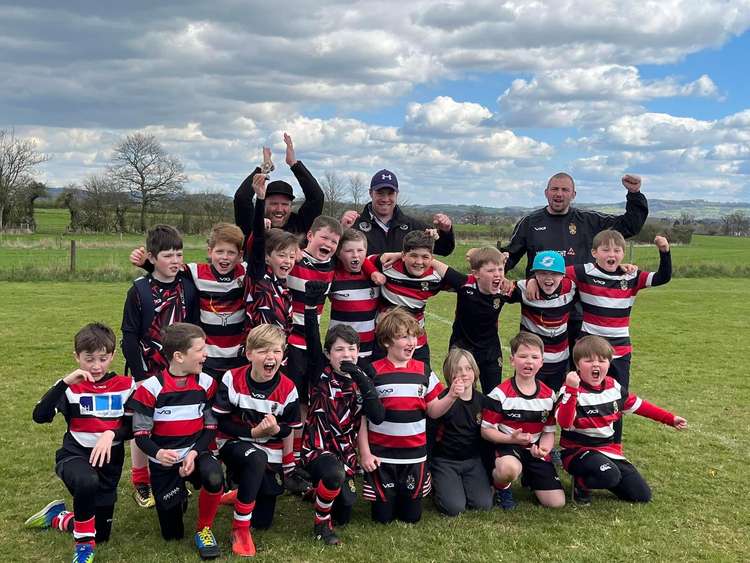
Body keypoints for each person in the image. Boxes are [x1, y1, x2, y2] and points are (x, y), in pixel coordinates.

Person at [25, 323, 135, 563]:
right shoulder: (71, 387)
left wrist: (111, 435)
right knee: (86, 482)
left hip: (109, 465)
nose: (96, 366)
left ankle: (59, 517)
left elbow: (135, 427)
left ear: (113, 356)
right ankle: (83, 547)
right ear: (77, 357)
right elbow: (40, 416)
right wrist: (64, 382)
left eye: (103, 358)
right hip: (74, 456)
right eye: (89, 359)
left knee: (101, 534)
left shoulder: (126, 386)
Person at [502, 172, 648, 349]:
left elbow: (629, 226)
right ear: (546, 192)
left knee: (580, 369)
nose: (559, 194)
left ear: (573, 195)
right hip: (540, 311)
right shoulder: (530, 222)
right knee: (536, 365)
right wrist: (489, 267)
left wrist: (635, 194)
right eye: (554, 189)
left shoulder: (589, 221)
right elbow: (509, 256)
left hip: (582, 312)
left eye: (565, 190)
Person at [126, 323, 224, 559]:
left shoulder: (207, 383)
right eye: (200, 349)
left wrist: (194, 452)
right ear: (179, 356)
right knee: (172, 535)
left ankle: (204, 528)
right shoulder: (150, 389)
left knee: (214, 476)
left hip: (196, 454)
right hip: (165, 462)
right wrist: (158, 454)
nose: (206, 354)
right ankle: (177, 497)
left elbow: (211, 427)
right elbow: (140, 435)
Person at [299, 281, 385, 544]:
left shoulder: (363, 376)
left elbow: (377, 416)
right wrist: (311, 308)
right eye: (339, 349)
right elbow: (312, 341)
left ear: (359, 352)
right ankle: (321, 526)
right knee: (333, 476)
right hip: (318, 448)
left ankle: (316, 490)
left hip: (345, 452)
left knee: (345, 508)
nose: (346, 354)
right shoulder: (320, 372)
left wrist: (360, 377)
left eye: (351, 349)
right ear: (329, 354)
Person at [556, 336, 687, 505]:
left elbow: (639, 405)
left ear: (609, 364)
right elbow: (565, 423)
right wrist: (572, 390)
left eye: (602, 360)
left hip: (608, 449)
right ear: (577, 364)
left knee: (641, 495)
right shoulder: (570, 389)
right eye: (588, 361)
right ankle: (581, 483)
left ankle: (605, 473)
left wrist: (670, 419)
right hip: (577, 452)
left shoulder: (613, 387)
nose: (596, 365)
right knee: (610, 475)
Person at [121, 224, 199, 509]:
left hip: (179, 370)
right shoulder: (140, 290)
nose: (175, 261)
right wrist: (141, 378)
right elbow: (128, 335)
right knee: (142, 425)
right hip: (146, 369)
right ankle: (141, 481)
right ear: (152, 258)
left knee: (173, 422)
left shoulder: (188, 289)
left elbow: (194, 331)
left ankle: (170, 476)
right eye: (168, 255)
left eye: (179, 254)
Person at [358, 308, 460, 524]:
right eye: (404, 336)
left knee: (411, 517)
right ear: (386, 341)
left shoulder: (424, 371)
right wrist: (365, 453)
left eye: (413, 335)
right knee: (382, 518)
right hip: (381, 458)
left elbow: (433, 410)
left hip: (414, 457)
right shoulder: (372, 372)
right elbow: (363, 419)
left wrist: (450, 396)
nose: (411, 341)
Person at [211, 324, 302, 556]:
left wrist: (275, 429)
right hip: (234, 447)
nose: (270, 357)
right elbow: (220, 423)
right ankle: (239, 529)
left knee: (263, 522)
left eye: (276, 351)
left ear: (283, 355)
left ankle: (239, 495)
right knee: (256, 456)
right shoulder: (232, 378)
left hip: (269, 454)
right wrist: (253, 433)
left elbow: (287, 430)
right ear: (249, 353)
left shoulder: (288, 389)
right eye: (262, 351)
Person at [129, 222, 248, 379]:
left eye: (231, 253)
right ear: (210, 251)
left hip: (238, 357)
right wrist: (147, 263)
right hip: (207, 359)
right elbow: (169, 272)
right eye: (220, 251)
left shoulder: (245, 273)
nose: (225, 257)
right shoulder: (196, 272)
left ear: (240, 255)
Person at [564, 230, 672, 389]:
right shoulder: (584, 272)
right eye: (605, 250)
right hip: (589, 349)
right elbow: (554, 273)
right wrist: (532, 281)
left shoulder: (631, 276)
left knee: (619, 396)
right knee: (584, 395)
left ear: (623, 253)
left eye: (617, 250)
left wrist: (664, 251)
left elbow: (663, 277)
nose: (611, 254)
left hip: (620, 349)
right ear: (594, 252)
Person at [481, 332, 566, 510]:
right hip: (508, 447)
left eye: (534, 357)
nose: (529, 361)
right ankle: (502, 488)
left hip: (533, 449)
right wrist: (511, 439)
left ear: (541, 362)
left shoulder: (549, 395)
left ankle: (532, 478)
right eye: (523, 356)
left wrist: (544, 449)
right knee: (508, 469)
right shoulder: (500, 394)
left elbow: (549, 431)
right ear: (512, 360)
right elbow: (486, 431)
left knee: (556, 503)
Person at [362, 230, 464, 366]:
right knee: (379, 380)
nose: (419, 262)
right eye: (413, 256)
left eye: (425, 257)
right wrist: (376, 271)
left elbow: (464, 284)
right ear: (404, 255)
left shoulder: (435, 276)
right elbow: (365, 260)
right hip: (386, 340)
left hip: (416, 341)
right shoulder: (388, 265)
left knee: (422, 379)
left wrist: (435, 264)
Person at [429, 348, 495, 517]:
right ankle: (438, 486)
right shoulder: (442, 400)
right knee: (454, 508)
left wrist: (489, 473)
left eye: (468, 368)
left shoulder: (483, 401)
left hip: (472, 461)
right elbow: (430, 434)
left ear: (475, 371)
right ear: (449, 374)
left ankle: (466, 484)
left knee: (483, 504)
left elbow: (486, 441)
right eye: (457, 370)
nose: (464, 373)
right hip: (445, 461)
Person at [234, 134, 324, 258]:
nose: (279, 209)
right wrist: (264, 169)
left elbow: (317, 197)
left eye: (285, 204)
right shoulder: (255, 222)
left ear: (291, 205)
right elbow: (241, 198)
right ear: (264, 203)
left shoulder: (300, 224)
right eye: (274, 203)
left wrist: (294, 164)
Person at [505, 250, 577, 392]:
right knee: (527, 402)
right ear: (535, 274)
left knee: (555, 404)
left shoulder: (571, 287)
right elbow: (497, 288)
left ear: (563, 275)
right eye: (542, 273)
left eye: (554, 273)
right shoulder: (524, 288)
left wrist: (621, 268)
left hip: (560, 362)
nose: (548, 278)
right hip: (531, 362)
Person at [340, 169, 455, 256]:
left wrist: (446, 231)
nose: (385, 199)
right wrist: (342, 229)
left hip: (400, 287)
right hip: (366, 286)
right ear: (371, 193)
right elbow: (334, 254)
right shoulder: (354, 224)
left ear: (397, 194)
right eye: (380, 193)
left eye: (390, 193)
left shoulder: (413, 226)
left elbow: (444, 250)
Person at [446, 246, 511, 394]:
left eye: (500, 270)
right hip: (461, 346)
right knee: (460, 392)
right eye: (490, 271)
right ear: (476, 274)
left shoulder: (505, 290)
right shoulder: (465, 284)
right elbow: (437, 264)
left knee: (493, 395)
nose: (497, 274)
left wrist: (531, 282)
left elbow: (525, 288)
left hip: (490, 351)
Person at [328, 229, 380, 361]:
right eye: (349, 251)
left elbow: (398, 256)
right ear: (339, 253)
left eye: (360, 250)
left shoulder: (375, 275)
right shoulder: (333, 275)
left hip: (367, 349)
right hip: (339, 349)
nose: (355, 255)